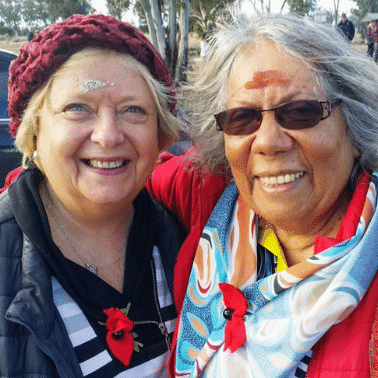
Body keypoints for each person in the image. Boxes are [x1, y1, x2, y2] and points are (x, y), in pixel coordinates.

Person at [147, 12, 378, 377]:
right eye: (242, 117)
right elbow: (120, 174)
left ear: (354, 122)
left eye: (300, 112)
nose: (268, 142)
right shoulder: (212, 191)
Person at [0, 14, 184, 377]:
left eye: (133, 110)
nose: (107, 136)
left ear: (160, 134)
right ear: (35, 129)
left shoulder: (185, 240)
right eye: (77, 108)